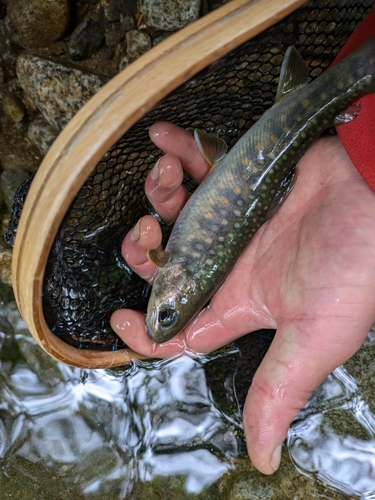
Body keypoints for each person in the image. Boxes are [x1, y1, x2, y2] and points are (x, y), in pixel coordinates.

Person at [111, 120, 375, 475]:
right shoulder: (177, 272)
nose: (158, 318)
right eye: (167, 315)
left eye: (166, 316)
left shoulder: (174, 271)